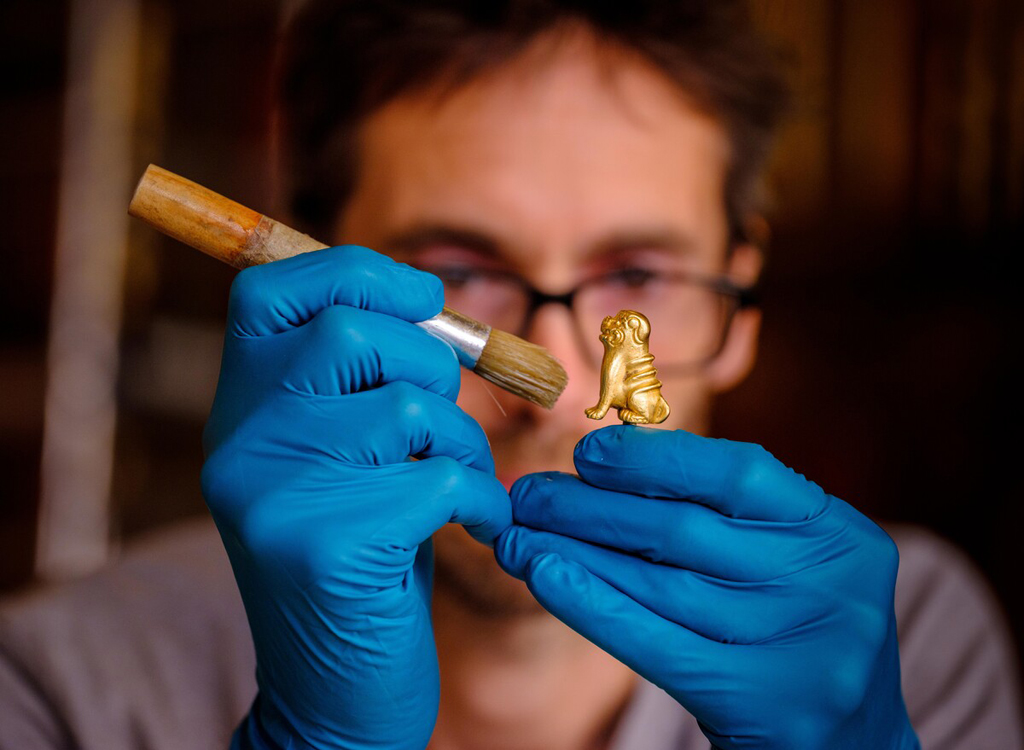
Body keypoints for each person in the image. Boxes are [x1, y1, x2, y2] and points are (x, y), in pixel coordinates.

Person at [1, 1, 1021, 748]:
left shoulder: (899, 636)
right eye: (460, 273)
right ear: (314, 290)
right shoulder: (60, 686)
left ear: (742, 309)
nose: (565, 387)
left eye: (637, 276)